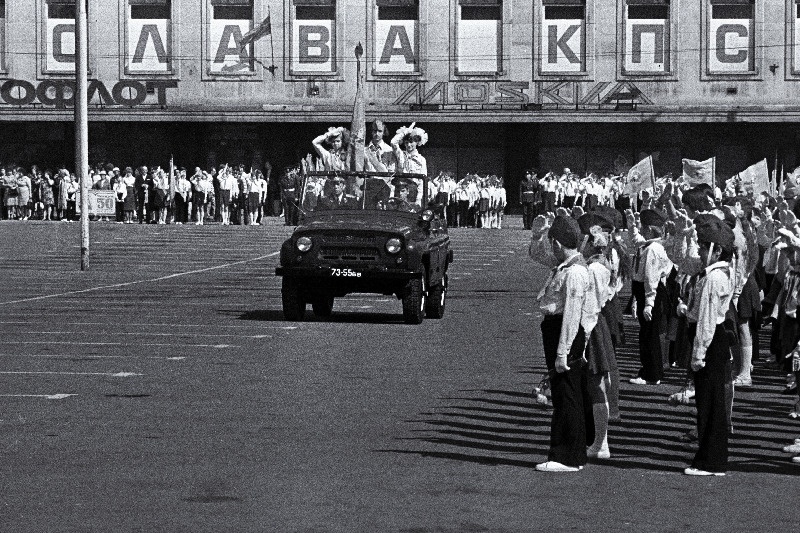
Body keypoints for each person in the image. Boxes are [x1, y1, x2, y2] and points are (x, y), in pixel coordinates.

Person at [528, 214, 594, 473]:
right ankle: (573, 452)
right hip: (559, 331)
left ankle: (566, 455)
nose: (550, 250)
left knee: (566, 394)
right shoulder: (567, 265)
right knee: (567, 393)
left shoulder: (575, 271)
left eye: (550, 242)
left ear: (557, 243)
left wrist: (563, 352)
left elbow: (572, 315)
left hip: (564, 332)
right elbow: (538, 255)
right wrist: (536, 236)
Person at [681, 214, 736, 476]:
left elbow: (706, 321)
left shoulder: (714, 278)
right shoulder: (716, 273)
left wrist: (697, 355)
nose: (701, 251)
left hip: (710, 341)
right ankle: (708, 457)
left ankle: (711, 461)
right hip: (711, 338)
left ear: (716, 250)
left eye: (704, 247)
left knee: (711, 404)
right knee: (708, 403)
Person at [626, 208, 673, 385]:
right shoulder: (650, 244)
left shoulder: (653, 249)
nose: (640, 228)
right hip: (645, 290)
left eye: (642, 226)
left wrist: (648, 303)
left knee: (649, 335)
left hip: (650, 292)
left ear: (651, 229)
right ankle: (652, 370)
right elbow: (636, 240)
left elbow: (651, 278)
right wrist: (631, 226)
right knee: (647, 333)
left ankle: (652, 373)